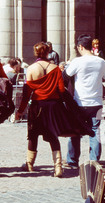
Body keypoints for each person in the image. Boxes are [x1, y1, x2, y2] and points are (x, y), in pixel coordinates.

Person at [15, 42, 93, 177]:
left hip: (37, 106)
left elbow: (27, 93)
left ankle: (29, 164)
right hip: (53, 106)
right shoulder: (55, 68)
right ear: (47, 52)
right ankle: (58, 167)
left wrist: (20, 110)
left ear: (35, 53)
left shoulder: (31, 69)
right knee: (52, 135)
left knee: (33, 135)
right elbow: (62, 90)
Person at [64, 34, 105, 168]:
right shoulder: (101, 61)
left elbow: (66, 76)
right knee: (95, 131)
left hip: (79, 102)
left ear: (80, 46)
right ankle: (94, 161)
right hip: (96, 102)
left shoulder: (77, 61)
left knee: (75, 132)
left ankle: (72, 161)